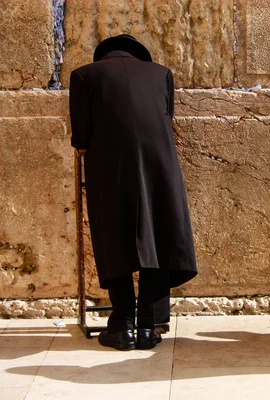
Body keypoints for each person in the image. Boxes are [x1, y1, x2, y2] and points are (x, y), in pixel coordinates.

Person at [69, 34, 198, 350]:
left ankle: (122, 324)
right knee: (156, 234)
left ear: (105, 56)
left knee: (113, 235)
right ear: (139, 56)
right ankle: (147, 326)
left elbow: (80, 137)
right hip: (159, 166)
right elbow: (165, 120)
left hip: (109, 166)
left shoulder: (84, 75)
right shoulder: (161, 74)